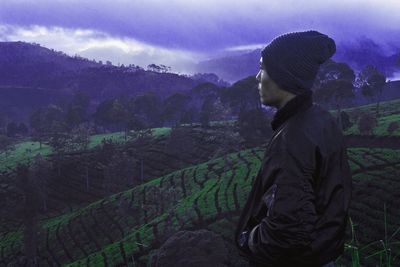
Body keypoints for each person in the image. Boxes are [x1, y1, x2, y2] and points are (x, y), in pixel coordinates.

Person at [234, 30, 352, 267]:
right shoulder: (321, 120)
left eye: (263, 68)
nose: (258, 77)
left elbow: (288, 229)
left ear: (283, 76)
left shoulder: (293, 139)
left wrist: (249, 240)